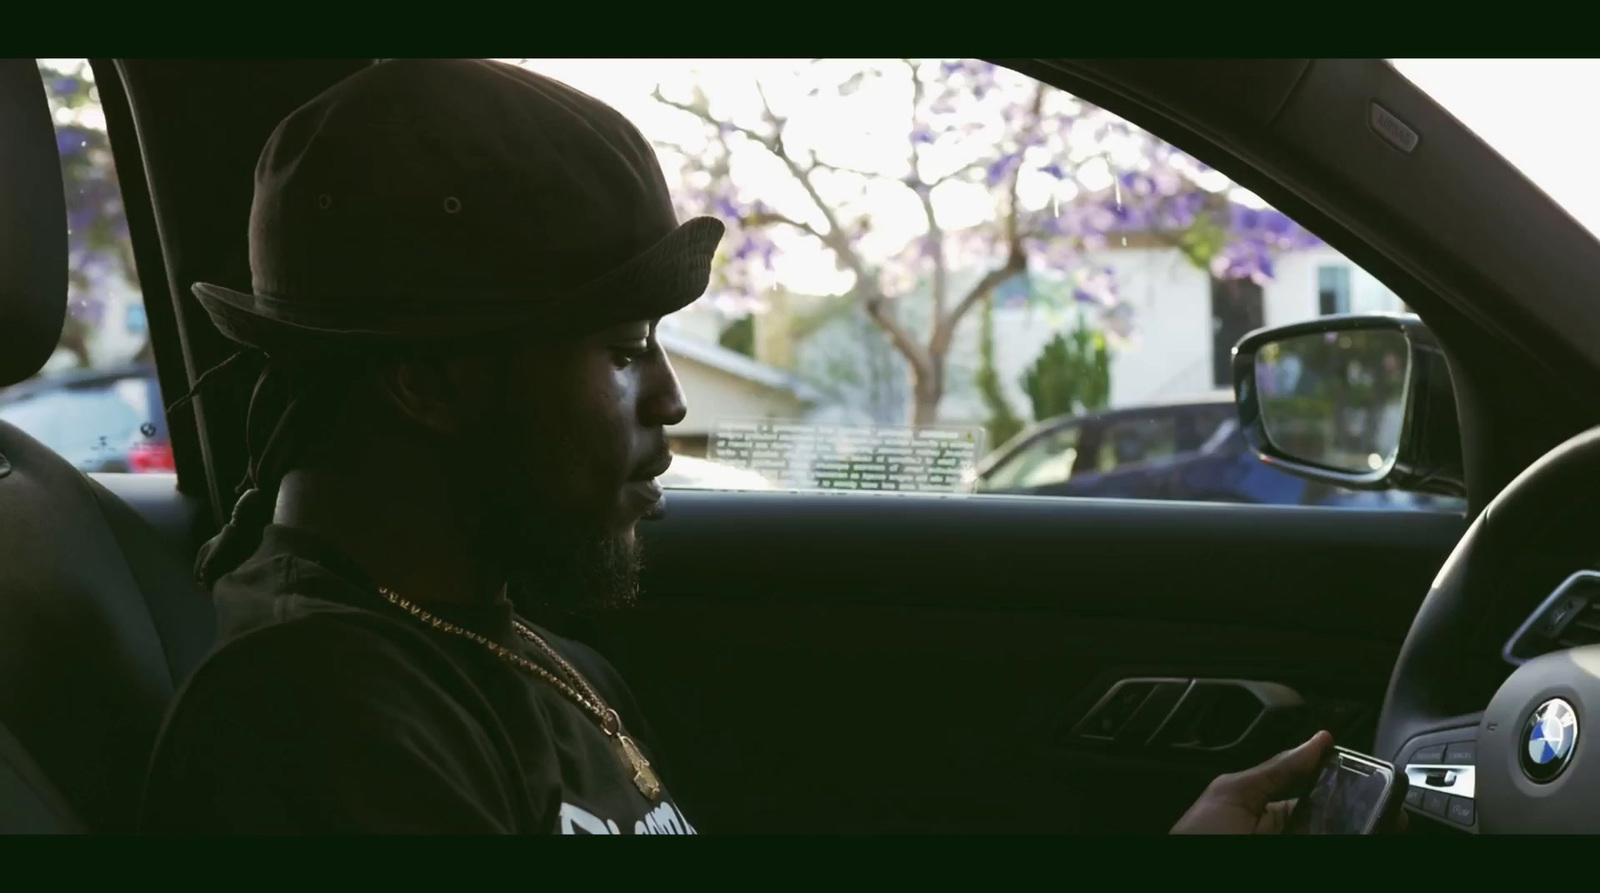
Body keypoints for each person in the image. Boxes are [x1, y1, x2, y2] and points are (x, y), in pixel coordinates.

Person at [139, 58, 1343, 835]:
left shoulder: (518, 647)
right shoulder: (312, 729)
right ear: (429, 381)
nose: (666, 399)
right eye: (620, 351)